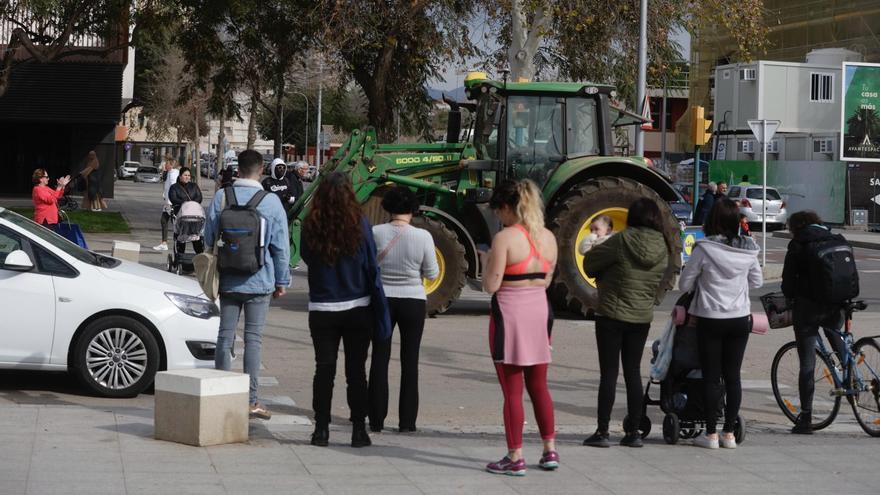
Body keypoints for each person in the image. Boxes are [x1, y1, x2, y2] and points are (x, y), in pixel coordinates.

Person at [204, 149, 290, 420]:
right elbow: (280, 246)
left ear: (237, 169)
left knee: (224, 336)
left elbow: (208, 237)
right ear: (262, 170)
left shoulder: (221, 197)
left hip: (228, 279)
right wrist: (281, 280)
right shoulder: (271, 202)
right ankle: (251, 401)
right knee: (253, 340)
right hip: (260, 281)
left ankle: (219, 394)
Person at [481, 179, 559, 476]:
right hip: (540, 311)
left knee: (512, 390)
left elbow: (491, 285)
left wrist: (487, 261)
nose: (498, 217)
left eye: (498, 211)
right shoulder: (548, 238)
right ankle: (549, 450)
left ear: (506, 207)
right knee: (539, 386)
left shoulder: (505, 239)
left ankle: (515, 456)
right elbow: (547, 280)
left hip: (509, 314)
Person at [301, 171, 380, 448]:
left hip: (322, 307)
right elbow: (371, 264)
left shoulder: (312, 224)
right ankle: (359, 430)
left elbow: (307, 257)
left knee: (324, 370)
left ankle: (321, 430)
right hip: (358, 305)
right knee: (356, 371)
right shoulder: (360, 224)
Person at [582, 198, 669, 448]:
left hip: (611, 314)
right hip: (641, 317)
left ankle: (602, 431)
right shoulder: (663, 246)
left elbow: (589, 264)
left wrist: (606, 274)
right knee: (632, 373)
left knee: (608, 373)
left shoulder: (620, 240)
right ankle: (634, 433)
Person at [678, 198, 762, 449]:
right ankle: (729, 434)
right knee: (733, 377)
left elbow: (684, 283)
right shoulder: (749, 249)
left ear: (712, 220)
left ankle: (711, 434)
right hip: (739, 319)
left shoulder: (704, 249)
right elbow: (756, 281)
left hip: (711, 318)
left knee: (711, 377)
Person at [368, 186, 439, 433]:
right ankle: (407, 422)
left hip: (383, 301)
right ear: (413, 208)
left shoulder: (375, 233)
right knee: (410, 361)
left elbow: (367, 267)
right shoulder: (423, 237)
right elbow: (433, 273)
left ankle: (376, 419)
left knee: (379, 358)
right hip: (413, 301)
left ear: (387, 207)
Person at [781, 210, 848, 434]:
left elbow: (788, 282)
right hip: (838, 302)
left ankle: (806, 418)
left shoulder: (799, 244)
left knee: (807, 363)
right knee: (834, 331)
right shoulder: (837, 238)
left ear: (796, 227)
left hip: (808, 308)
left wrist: (789, 297)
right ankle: (849, 373)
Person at [167, 167, 205, 254]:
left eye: (188, 175)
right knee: (181, 236)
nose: (187, 177)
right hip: (181, 215)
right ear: (180, 176)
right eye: (185, 175)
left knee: (195, 237)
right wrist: (185, 203)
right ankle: (180, 255)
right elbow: (173, 198)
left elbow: (199, 197)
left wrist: (191, 203)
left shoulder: (194, 186)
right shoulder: (174, 187)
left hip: (194, 216)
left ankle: (199, 256)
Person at [153, 157, 180, 251]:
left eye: (166, 164)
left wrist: (170, 202)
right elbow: (165, 184)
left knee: (173, 223)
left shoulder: (174, 174)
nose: (164, 165)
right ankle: (164, 243)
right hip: (168, 202)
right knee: (164, 221)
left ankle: (177, 242)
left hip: (171, 203)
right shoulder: (169, 173)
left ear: (171, 165)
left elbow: (173, 187)